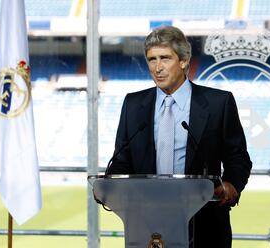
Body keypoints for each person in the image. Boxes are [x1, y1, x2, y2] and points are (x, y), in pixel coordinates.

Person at [105, 25, 252, 248]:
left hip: (205, 226)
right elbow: (121, 161)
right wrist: (110, 185)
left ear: (183, 61)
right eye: (151, 59)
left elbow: (238, 158)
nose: (157, 67)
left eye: (165, 58)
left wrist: (231, 185)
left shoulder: (218, 103)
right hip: (146, 227)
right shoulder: (133, 104)